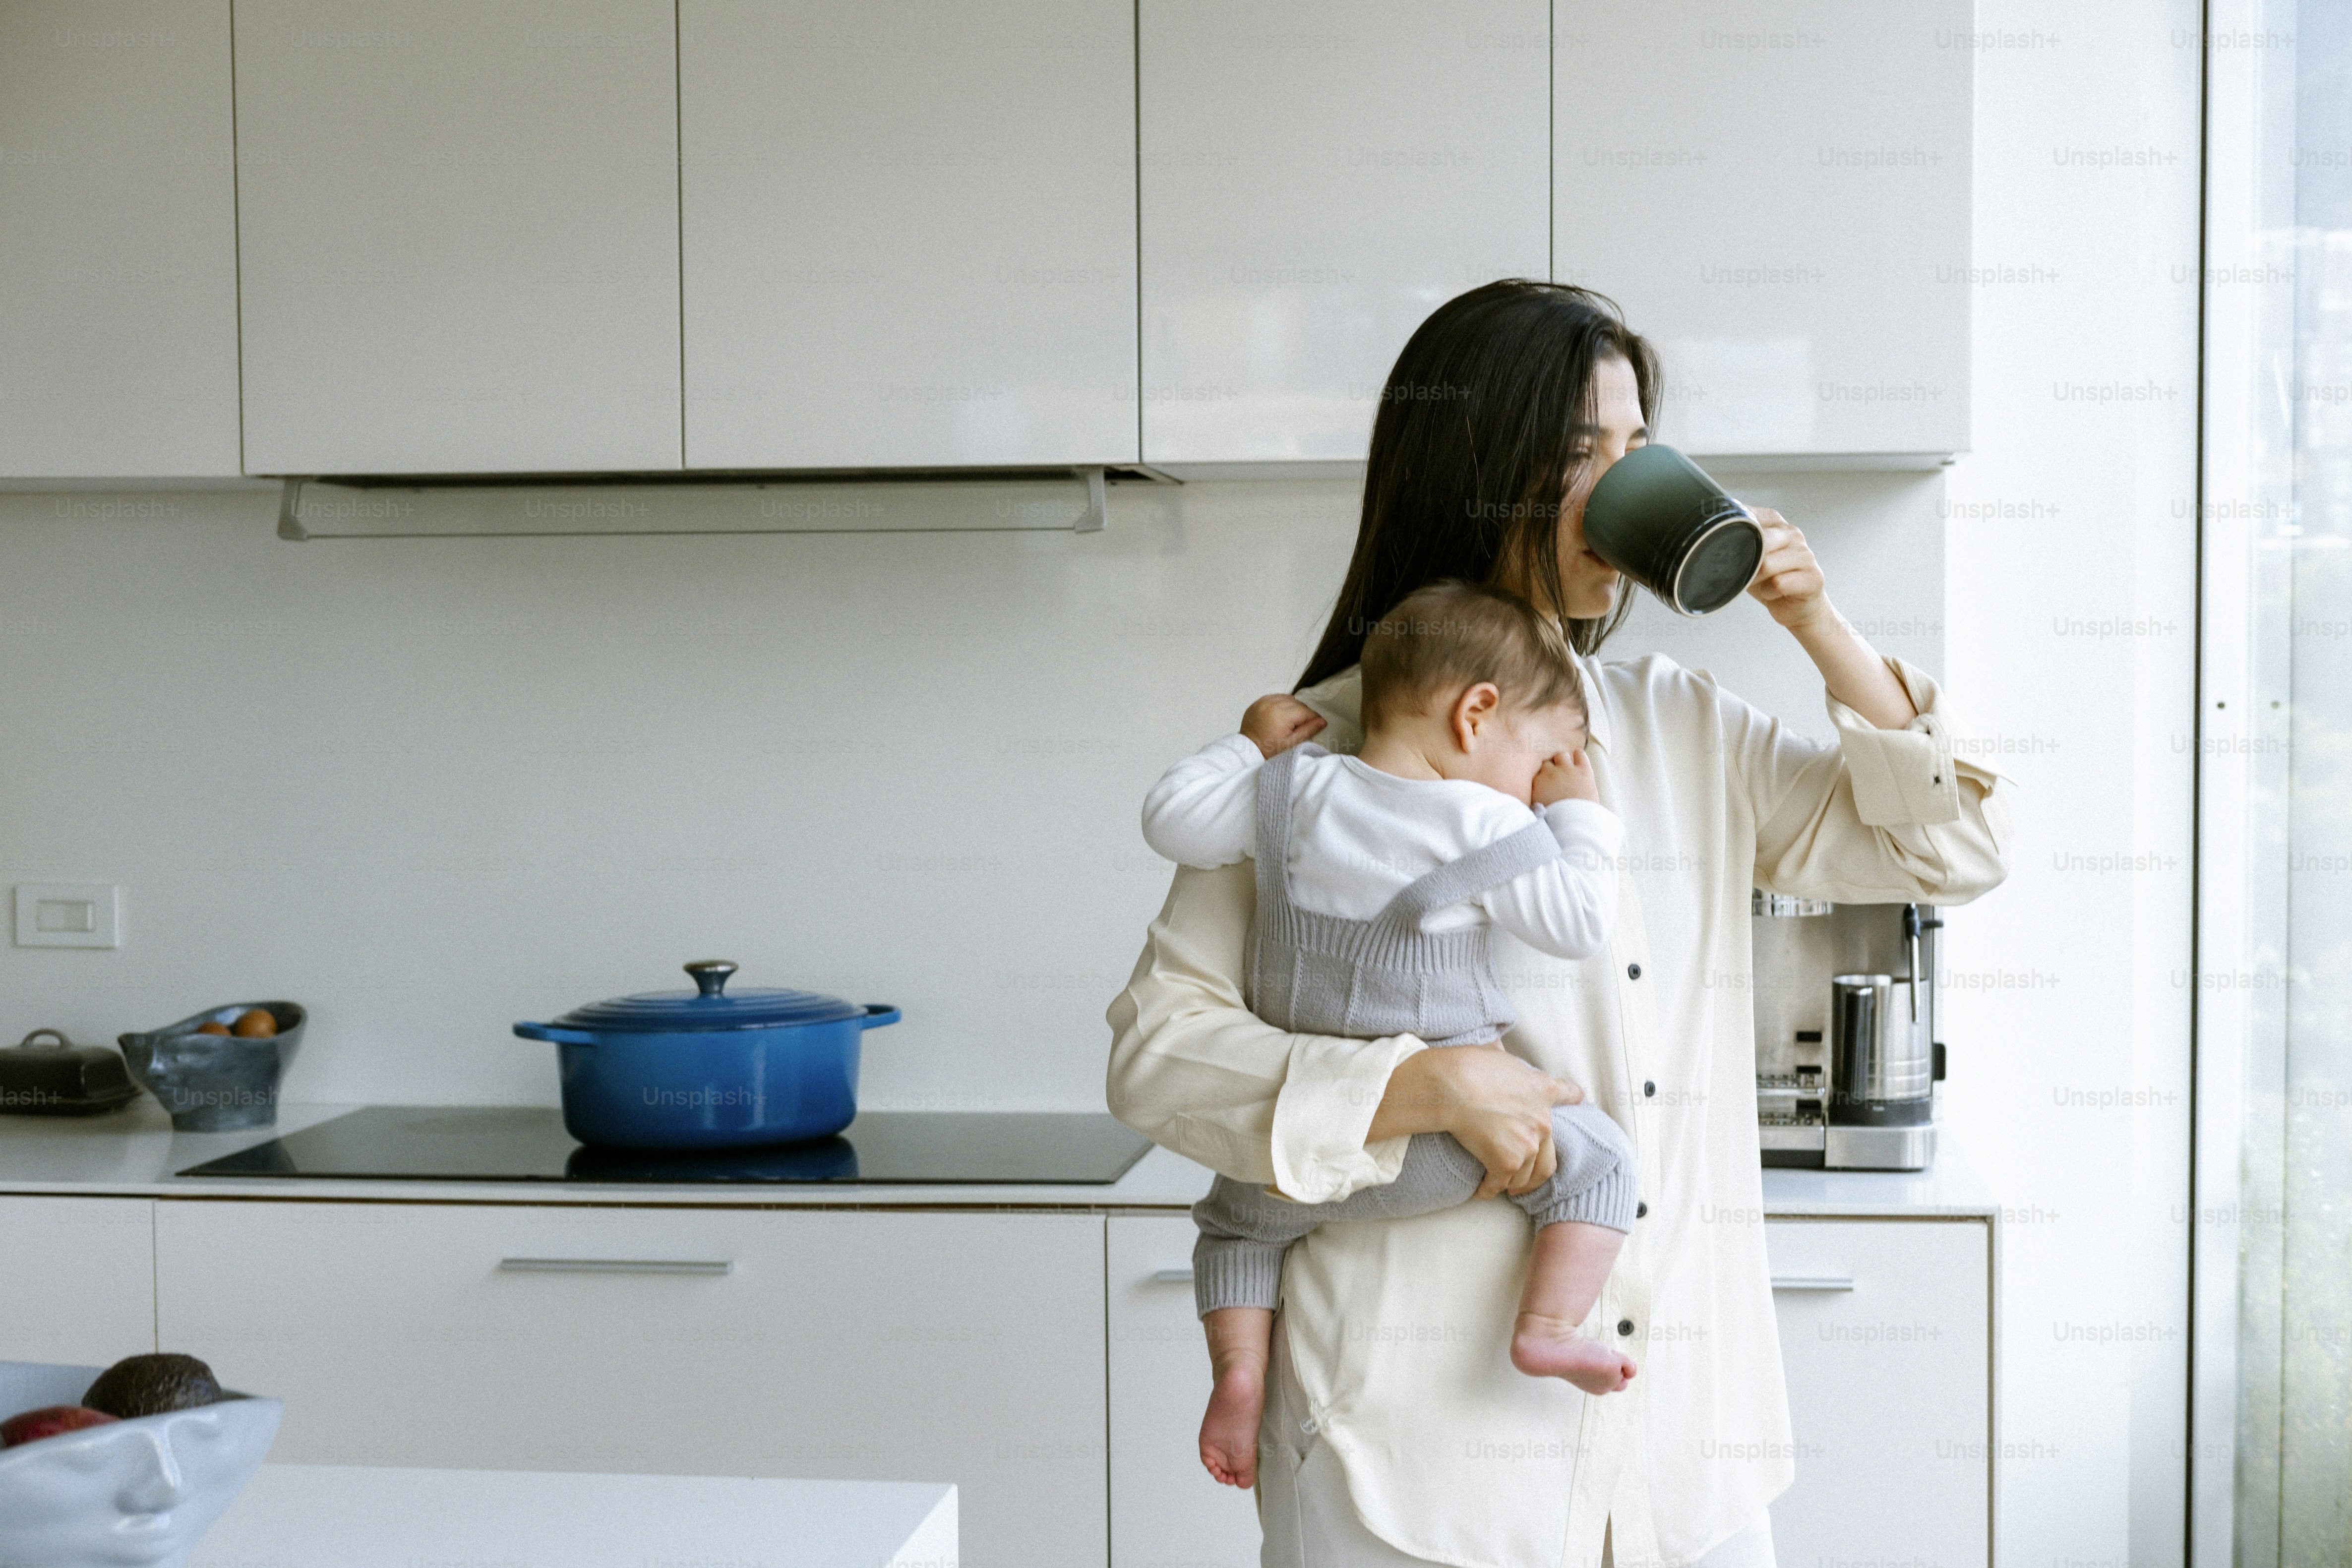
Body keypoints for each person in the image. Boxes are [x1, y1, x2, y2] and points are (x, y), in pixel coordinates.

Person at [1105, 278, 2009, 1568]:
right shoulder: (1328, 741)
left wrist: (1819, 624)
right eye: (1581, 451)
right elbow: (1156, 1050)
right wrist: (1426, 1086)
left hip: (1679, 1464)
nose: (1620, 482)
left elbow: (1955, 846)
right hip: (1407, 1468)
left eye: (1635, 450)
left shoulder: (1681, 723)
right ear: (1481, 470)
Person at [1140, 581, 1640, 1492]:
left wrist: (1247, 741)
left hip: (1301, 1159)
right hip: (1450, 1150)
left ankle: (1240, 1372)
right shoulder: (1487, 821)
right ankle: (1549, 1328)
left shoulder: (1288, 792)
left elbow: (1169, 816)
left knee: (1229, 1231)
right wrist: (1580, 812)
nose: (1537, 779)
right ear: (1476, 714)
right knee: (1602, 1161)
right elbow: (1577, 921)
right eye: (1537, 758)